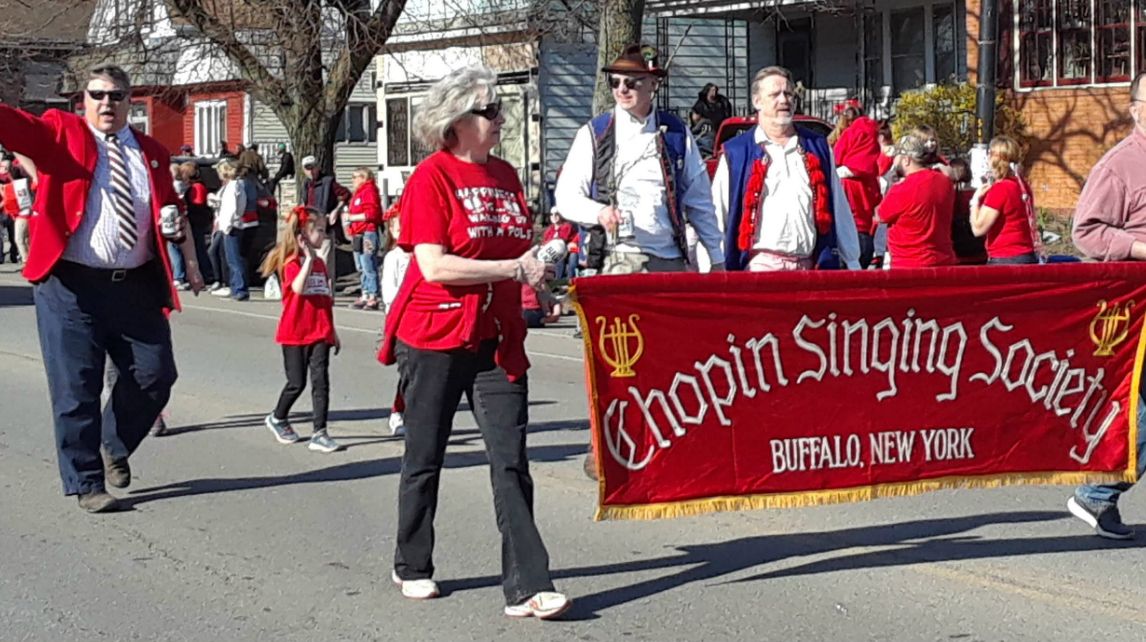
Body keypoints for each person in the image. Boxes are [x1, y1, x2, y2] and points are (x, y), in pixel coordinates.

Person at [377, 65, 571, 619]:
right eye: (489, 111)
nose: (500, 119)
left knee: (511, 460)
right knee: (425, 456)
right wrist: (512, 268)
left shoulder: (508, 176)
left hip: (498, 337)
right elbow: (434, 266)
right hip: (435, 335)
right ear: (456, 120)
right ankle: (412, 562)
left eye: (500, 108)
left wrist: (541, 286)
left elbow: (522, 249)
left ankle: (529, 583)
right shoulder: (430, 178)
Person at [0, 65, 204, 512]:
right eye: (98, 95)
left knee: (155, 374)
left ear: (130, 100)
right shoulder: (63, 133)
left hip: (132, 285)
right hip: (69, 284)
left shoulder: (150, 151)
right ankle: (86, 481)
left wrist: (183, 250)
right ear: (83, 101)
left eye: (116, 96)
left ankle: (114, 444)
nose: (107, 104)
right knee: (77, 387)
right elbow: (14, 126)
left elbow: (169, 208)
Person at [555, 43, 725, 276]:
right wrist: (599, 212)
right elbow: (566, 197)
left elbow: (699, 200)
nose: (622, 89)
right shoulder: (594, 133)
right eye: (615, 82)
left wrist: (716, 256)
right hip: (614, 257)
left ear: (653, 84)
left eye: (631, 82)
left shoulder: (676, 132)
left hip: (670, 258)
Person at [1067, 71, 1146, 540]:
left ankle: (1098, 495)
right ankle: (1097, 493)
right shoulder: (1120, 165)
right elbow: (1086, 232)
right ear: (1134, 107)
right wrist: (1141, 247)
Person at [713, 66, 861, 272]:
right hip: (758, 270)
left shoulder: (817, 147)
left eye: (788, 94)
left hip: (810, 268)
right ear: (757, 102)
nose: (784, 100)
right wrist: (713, 268)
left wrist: (853, 262)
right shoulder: (735, 153)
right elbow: (718, 216)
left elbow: (839, 208)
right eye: (774, 94)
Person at [260, 205, 343, 453]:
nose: (323, 235)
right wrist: (308, 260)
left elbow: (324, 301)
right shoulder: (293, 263)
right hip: (295, 333)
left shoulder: (320, 265)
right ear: (303, 235)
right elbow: (297, 288)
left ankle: (320, 432)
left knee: (321, 382)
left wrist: (333, 331)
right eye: (318, 230)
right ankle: (277, 417)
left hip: (320, 332)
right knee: (296, 383)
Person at [877, 128, 957, 268]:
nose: (894, 161)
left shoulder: (902, 189)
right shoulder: (945, 182)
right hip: (943, 261)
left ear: (906, 160)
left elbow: (880, 215)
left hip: (909, 265)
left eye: (897, 157)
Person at [969, 136, 1041, 265]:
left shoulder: (1000, 189)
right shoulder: (1022, 186)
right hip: (1026, 254)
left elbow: (978, 229)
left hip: (1005, 257)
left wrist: (974, 201)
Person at [830, 100, 883, 268]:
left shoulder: (843, 179)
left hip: (847, 236)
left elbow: (837, 155)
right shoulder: (870, 177)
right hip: (865, 232)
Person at [380, 204, 410, 436]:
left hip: (424, 319)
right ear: (393, 230)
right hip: (403, 320)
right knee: (408, 371)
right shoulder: (394, 257)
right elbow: (390, 293)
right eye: (401, 227)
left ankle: (412, 413)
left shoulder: (422, 254)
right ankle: (396, 412)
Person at [300, 155, 351, 282]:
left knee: (325, 261)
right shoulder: (306, 184)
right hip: (310, 228)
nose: (311, 171)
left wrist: (336, 210)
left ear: (318, 167)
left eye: (313, 167)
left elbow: (346, 194)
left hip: (325, 227)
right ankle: (316, 290)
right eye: (308, 168)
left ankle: (328, 294)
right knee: (312, 260)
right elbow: (305, 203)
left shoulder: (328, 182)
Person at [210, 159, 250, 300]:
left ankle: (240, 289)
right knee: (230, 258)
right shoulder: (233, 185)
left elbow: (233, 208)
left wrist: (228, 225)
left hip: (232, 226)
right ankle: (235, 287)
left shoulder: (234, 186)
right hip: (230, 225)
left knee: (234, 259)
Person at [346, 167, 384, 309]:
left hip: (368, 232)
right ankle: (365, 293)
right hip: (357, 233)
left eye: (355, 176)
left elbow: (372, 213)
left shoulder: (369, 191)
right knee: (360, 265)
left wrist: (352, 217)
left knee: (368, 263)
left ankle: (373, 295)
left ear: (363, 177)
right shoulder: (358, 194)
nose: (353, 180)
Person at [181, 161, 215, 284]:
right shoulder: (193, 186)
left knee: (199, 249)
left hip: (197, 222)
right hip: (195, 220)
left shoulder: (197, 187)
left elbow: (199, 204)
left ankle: (207, 275)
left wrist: (186, 208)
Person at [541, 209, 579, 280]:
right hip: (556, 253)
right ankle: (558, 280)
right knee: (558, 255)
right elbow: (544, 243)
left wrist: (573, 242)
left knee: (574, 255)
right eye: (551, 214)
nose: (554, 216)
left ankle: (570, 280)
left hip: (569, 249)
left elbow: (576, 236)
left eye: (556, 214)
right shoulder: (549, 230)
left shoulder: (568, 226)